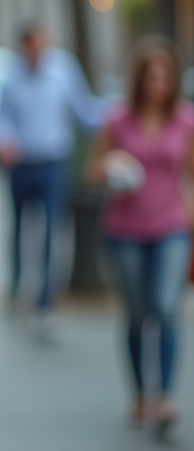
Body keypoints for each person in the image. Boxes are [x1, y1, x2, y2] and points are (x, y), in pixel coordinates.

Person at [87, 36, 193, 438]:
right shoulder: (118, 119)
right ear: (139, 80)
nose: (158, 84)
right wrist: (111, 166)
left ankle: (165, 396)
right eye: (151, 77)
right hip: (125, 228)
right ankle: (139, 394)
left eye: (165, 76)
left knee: (166, 309)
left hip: (171, 227)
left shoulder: (186, 120)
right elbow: (92, 170)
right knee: (136, 314)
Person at [0, 24, 105, 331]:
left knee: (52, 232)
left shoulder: (64, 70)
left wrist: (118, 119)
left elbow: (86, 112)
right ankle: (16, 292)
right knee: (19, 231)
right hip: (21, 163)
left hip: (53, 162)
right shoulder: (11, 76)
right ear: (24, 47)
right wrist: (2, 139)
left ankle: (44, 302)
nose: (38, 51)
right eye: (33, 46)